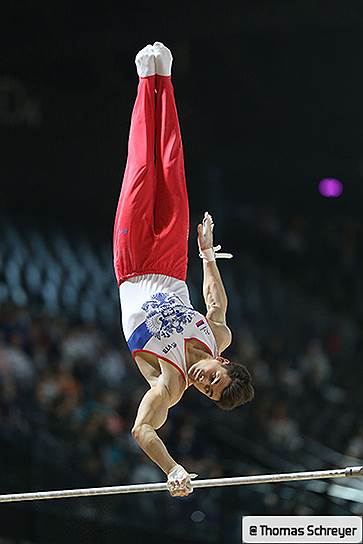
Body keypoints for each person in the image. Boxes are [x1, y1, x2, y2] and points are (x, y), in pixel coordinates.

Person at [113, 42, 254, 497]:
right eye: (214, 379)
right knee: (172, 167)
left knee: (141, 169)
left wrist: (173, 469)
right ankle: (164, 79)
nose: (204, 384)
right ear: (223, 360)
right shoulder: (219, 337)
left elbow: (142, 429)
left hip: (133, 265)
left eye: (209, 393)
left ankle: (143, 82)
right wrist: (208, 255)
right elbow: (216, 303)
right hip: (174, 264)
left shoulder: (169, 384)